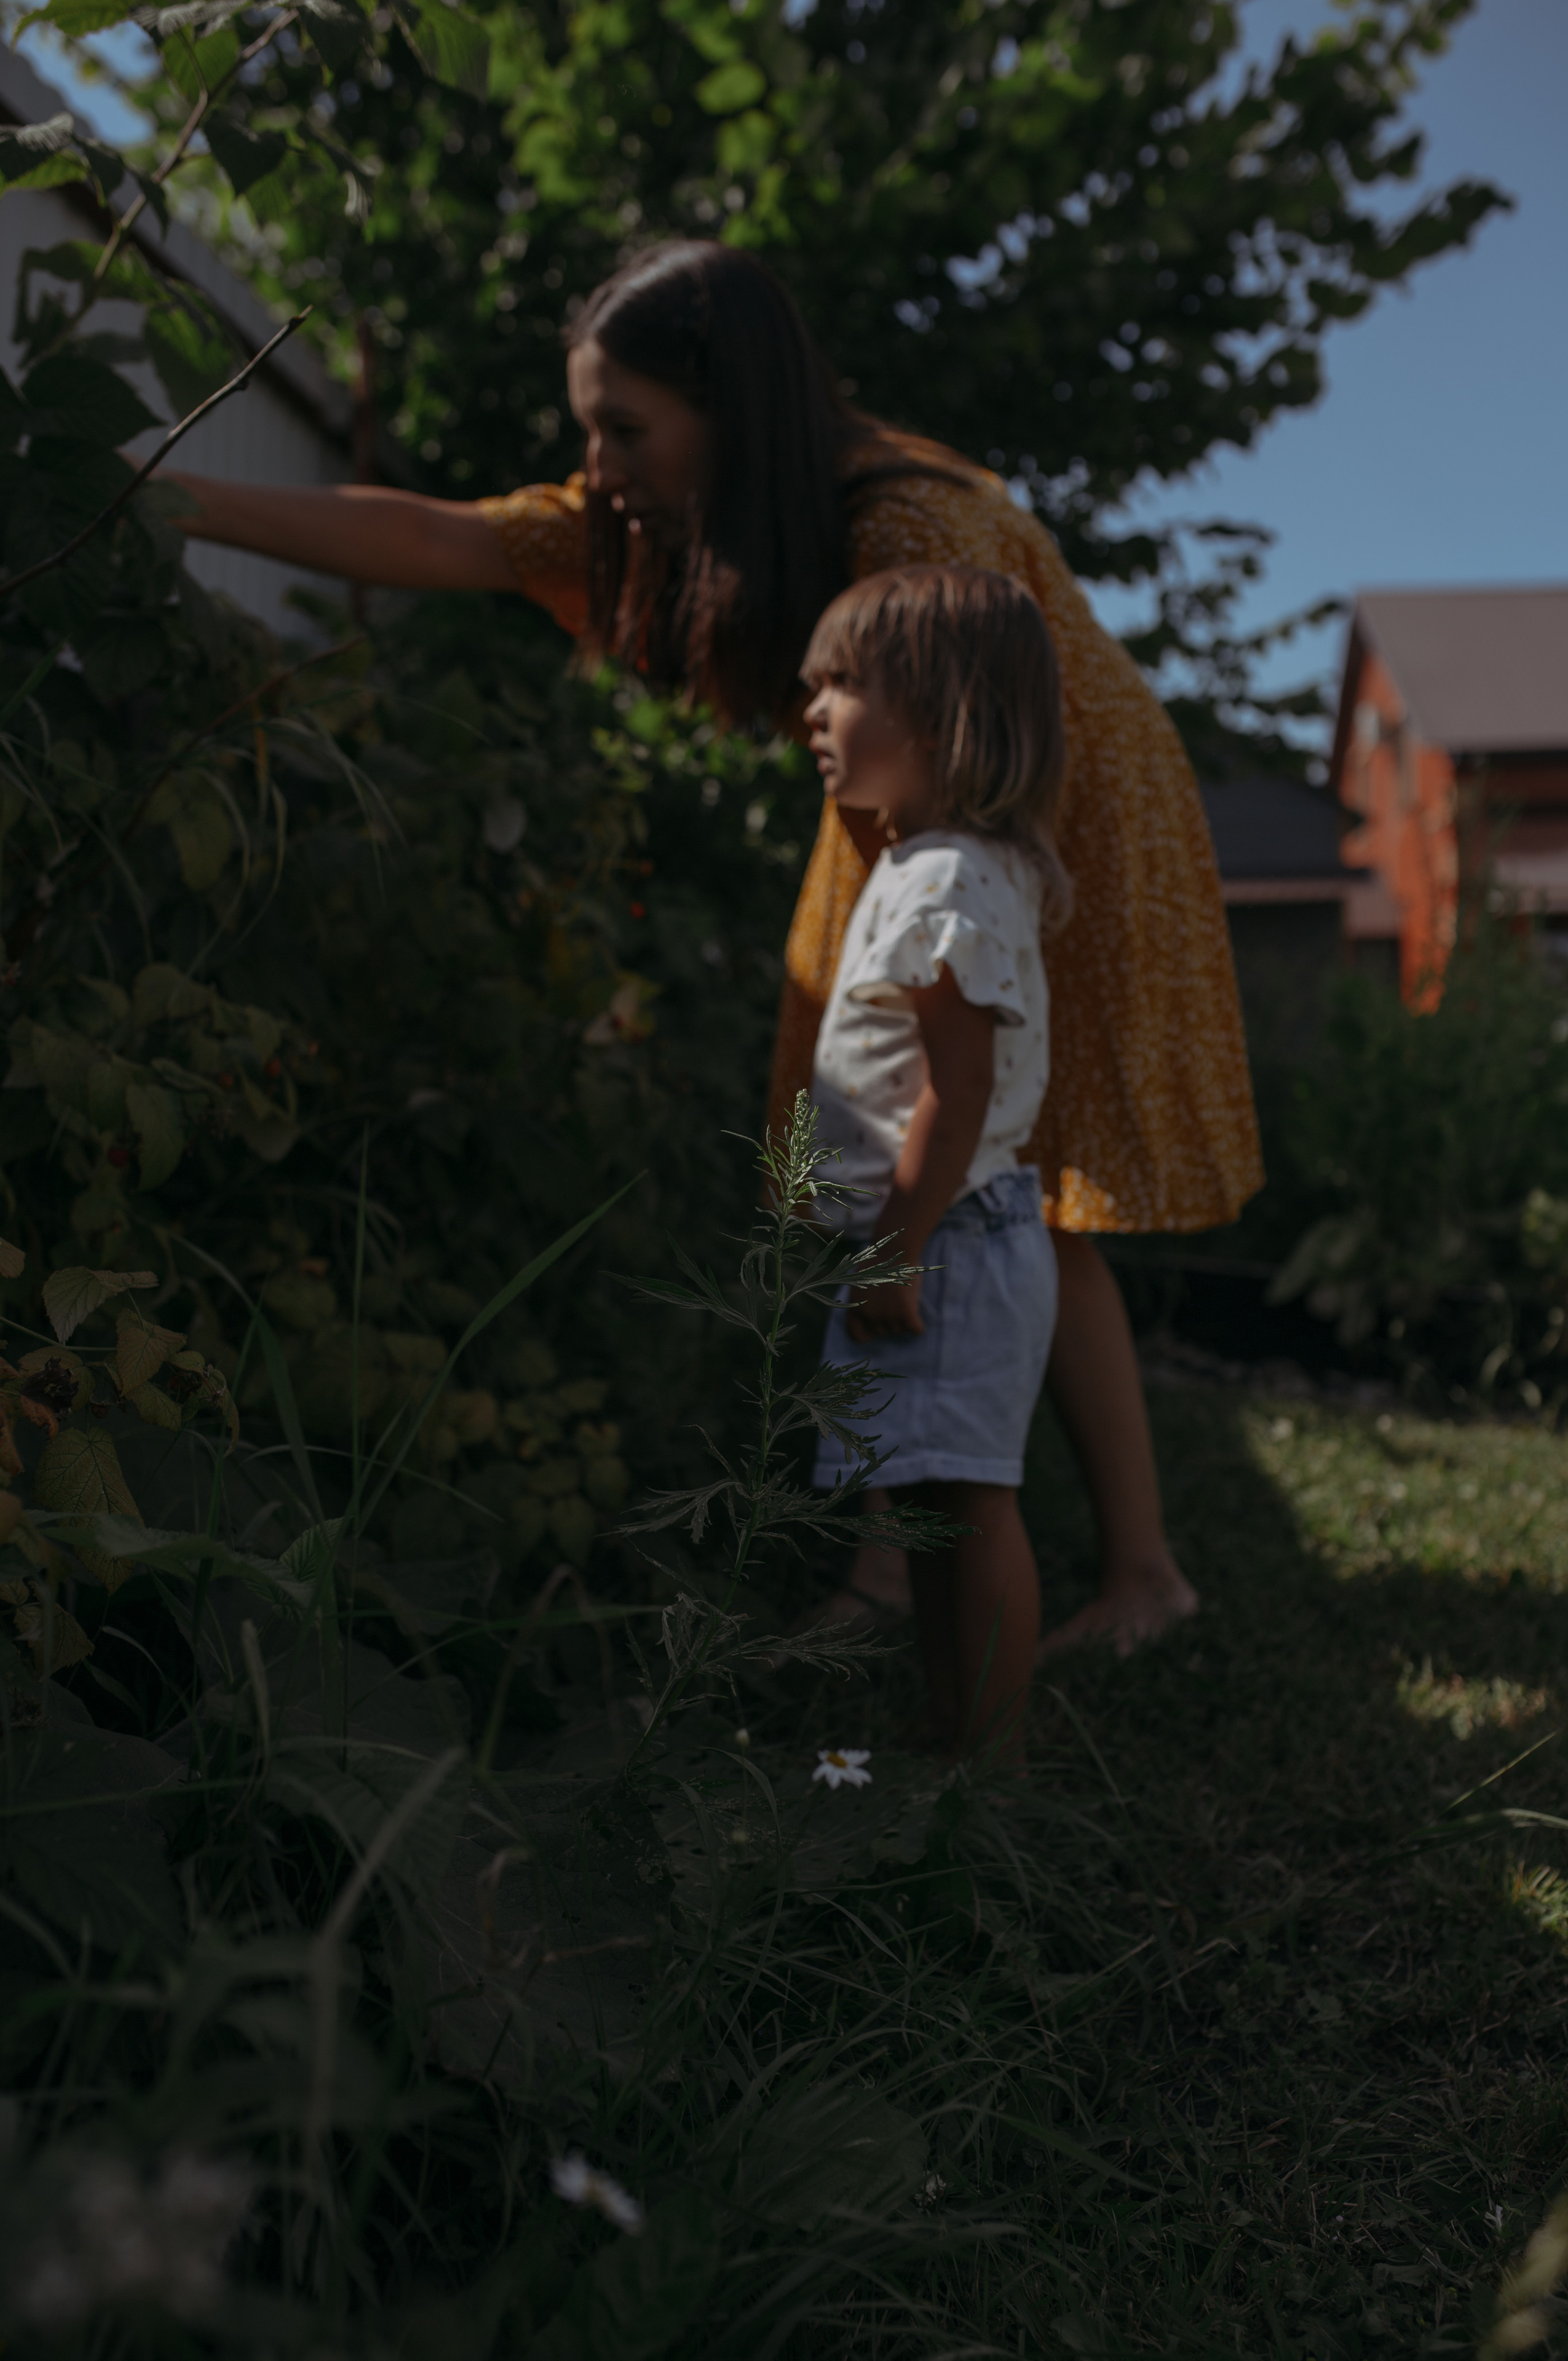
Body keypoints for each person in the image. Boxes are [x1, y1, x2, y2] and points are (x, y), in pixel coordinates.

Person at [166, 237, 1262, 1656]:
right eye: (589, 427)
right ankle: (934, 1566)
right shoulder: (751, 506)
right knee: (912, 1162)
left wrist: (946, 922)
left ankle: (1111, 1575)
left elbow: (996, 728)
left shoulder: (908, 527)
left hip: (1043, 832)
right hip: (927, 831)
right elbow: (454, 536)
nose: (599, 462)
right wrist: (167, 498)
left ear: (729, 411)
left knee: (1008, 1179)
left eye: (625, 428)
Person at [801, 564, 1067, 1767]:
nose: (813, 708)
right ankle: (948, 1732)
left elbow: (953, 1097)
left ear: (940, 713)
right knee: (925, 1505)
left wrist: (897, 1247)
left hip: (942, 1242)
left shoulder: (948, 880)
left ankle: (989, 1764)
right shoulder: (929, 863)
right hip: (935, 1240)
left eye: (843, 684)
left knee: (965, 1503)